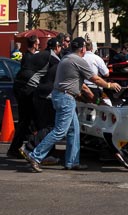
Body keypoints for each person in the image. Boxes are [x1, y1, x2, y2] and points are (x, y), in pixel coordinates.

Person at [19, 37, 121, 172]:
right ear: (83, 49)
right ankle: (35, 156)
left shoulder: (66, 58)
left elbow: (80, 83)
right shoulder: (78, 60)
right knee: (60, 130)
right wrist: (110, 85)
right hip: (66, 97)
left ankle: (72, 161)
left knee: (74, 129)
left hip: (62, 95)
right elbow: (94, 79)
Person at [7, 36, 49, 158]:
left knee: (28, 122)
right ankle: (17, 149)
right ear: (35, 45)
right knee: (25, 122)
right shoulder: (29, 58)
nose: (39, 46)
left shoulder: (28, 56)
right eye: (38, 44)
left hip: (23, 91)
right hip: (25, 92)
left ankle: (25, 147)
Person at [27, 38, 63, 165]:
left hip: (33, 91)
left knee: (41, 124)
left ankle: (46, 154)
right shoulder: (54, 60)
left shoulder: (39, 55)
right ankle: (31, 146)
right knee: (50, 126)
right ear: (57, 47)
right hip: (45, 95)